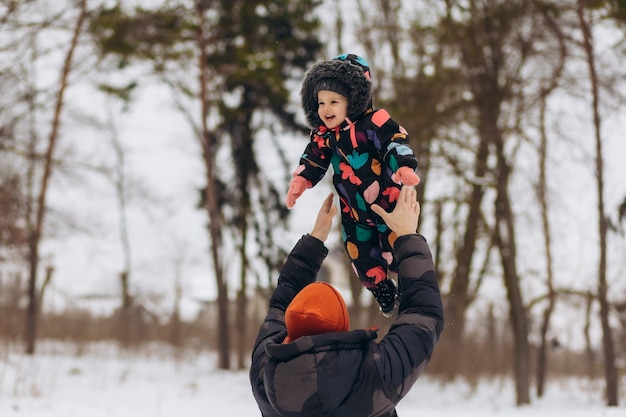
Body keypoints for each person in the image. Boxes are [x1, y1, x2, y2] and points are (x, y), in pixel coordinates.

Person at [251, 186, 444, 417]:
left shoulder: (266, 377)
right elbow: (423, 314)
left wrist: (314, 240)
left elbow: (280, 307)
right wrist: (406, 234)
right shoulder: (374, 374)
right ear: (341, 324)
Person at [285, 53, 420, 317]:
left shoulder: (374, 123)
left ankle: (410, 288)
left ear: (354, 100)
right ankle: (382, 290)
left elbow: (396, 140)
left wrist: (404, 166)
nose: (326, 109)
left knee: (399, 251)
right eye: (321, 102)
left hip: (388, 209)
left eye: (334, 102)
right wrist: (301, 181)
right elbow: (313, 159)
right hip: (354, 214)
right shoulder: (324, 135)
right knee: (361, 258)